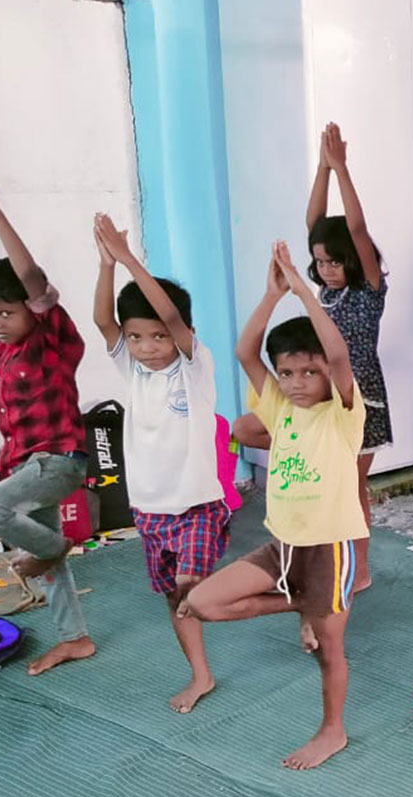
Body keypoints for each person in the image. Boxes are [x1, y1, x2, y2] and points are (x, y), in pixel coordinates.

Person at [178, 241, 367, 770]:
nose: (296, 382)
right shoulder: (279, 406)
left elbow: (338, 356)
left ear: (327, 376)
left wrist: (305, 292)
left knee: (330, 650)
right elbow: (245, 352)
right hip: (282, 546)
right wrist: (271, 295)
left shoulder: (343, 413)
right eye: (287, 373)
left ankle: (333, 730)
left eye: (308, 373)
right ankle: (304, 605)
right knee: (202, 603)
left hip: (327, 547)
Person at [235, 122, 389, 591]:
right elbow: (314, 224)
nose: (325, 269)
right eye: (319, 262)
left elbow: (356, 229)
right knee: (243, 428)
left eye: (333, 261)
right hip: (310, 405)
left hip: (353, 404)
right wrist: (320, 168)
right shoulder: (323, 290)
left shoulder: (368, 291)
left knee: (354, 487)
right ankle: (302, 494)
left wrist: (342, 169)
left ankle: (357, 568)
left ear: (353, 261)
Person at [92, 213, 229, 713]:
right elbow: (105, 321)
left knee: (194, 592)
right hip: (148, 510)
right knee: (175, 599)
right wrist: (107, 264)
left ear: (183, 334)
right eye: (137, 338)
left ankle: (286, 596)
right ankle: (201, 675)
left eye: (158, 337)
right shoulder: (133, 369)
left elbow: (170, 318)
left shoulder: (195, 367)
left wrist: (130, 259)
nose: (148, 348)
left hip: (194, 505)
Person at [0, 166, 90, 676]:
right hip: (26, 463)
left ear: (32, 311)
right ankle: (75, 637)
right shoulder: (4, 341)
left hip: (59, 460)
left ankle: (53, 548)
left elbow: (31, 279)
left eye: (6, 313)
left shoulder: (50, 335)